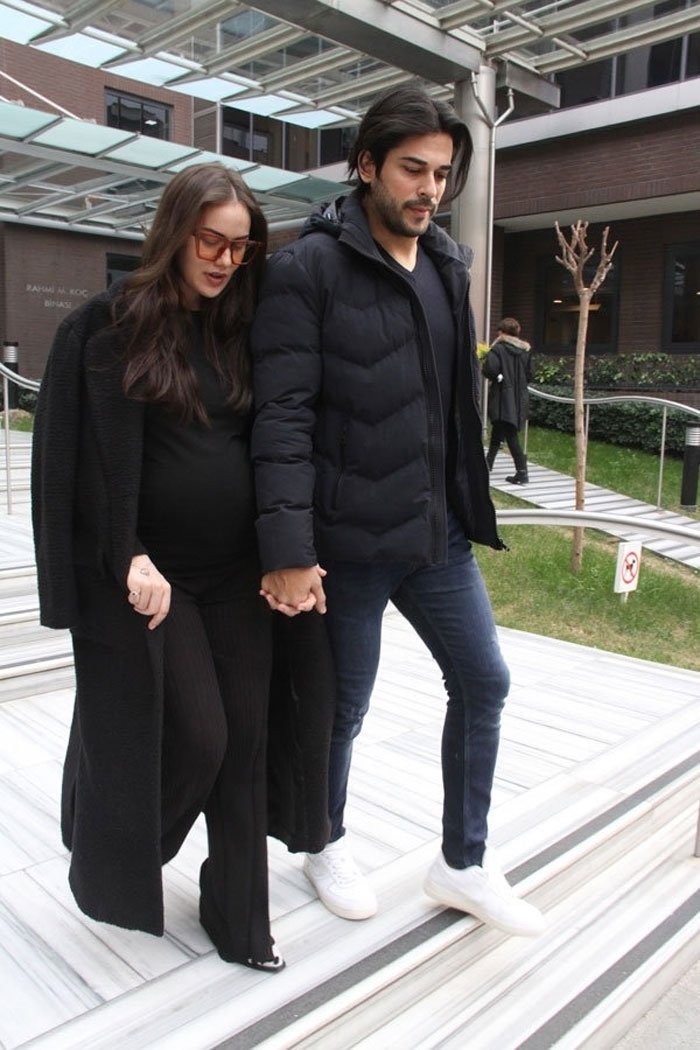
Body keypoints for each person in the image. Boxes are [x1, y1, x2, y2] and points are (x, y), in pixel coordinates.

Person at [250, 87, 545, 937]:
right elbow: (282, 417)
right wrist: (288, 547)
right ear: (367, 165)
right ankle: (325, 840)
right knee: (343, 706)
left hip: (434, 532)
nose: (429, 189)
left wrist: (465, 499)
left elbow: (449, 406)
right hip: (344, 541)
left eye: (442, 175)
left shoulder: (447, 266)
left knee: (485, 680)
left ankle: (463, 863)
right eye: (413, 170)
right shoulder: (307, 270)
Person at [31, 162, 333, 973]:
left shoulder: (244, 328)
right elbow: (69, 465)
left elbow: (283, 438)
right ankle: (112, 836)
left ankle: (240, 922)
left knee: (246, 746)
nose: (225, 260)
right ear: (174, 231)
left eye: (241, 246)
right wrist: (126, 552)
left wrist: (291, 552)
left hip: (238, 574)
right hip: (157, 581)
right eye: (210, 241)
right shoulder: (105, 328)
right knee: (201, 737)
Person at [482, 317, 533, 484]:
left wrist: (498, 377)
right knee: (499, 429)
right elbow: (530, 375)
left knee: (510, 434)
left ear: (501, 332)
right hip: (520, 397)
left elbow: (489, 369)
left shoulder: (498, 349)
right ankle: (487, 464)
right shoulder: (525, 351)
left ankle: (522, 472)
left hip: (503, 397)